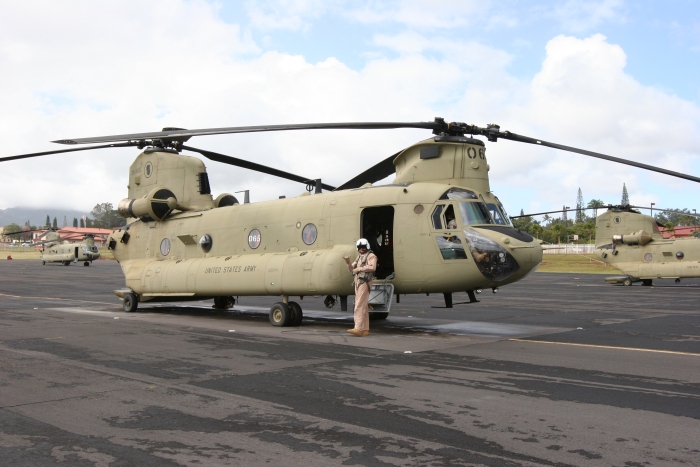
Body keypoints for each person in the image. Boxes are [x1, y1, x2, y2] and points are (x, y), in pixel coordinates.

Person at [343, 238, 377, 337]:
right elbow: (352, 271)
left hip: (365, 282)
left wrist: (360, 268)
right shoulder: (359, 257)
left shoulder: (371, 256)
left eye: (363, 247)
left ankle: (358, 328)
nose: (362, 249)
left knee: (359, 305)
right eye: (360, 247)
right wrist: (348, 263)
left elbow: (372, 267)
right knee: (363, 306)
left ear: (367, 247)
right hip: (358, 282)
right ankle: (365, 329)